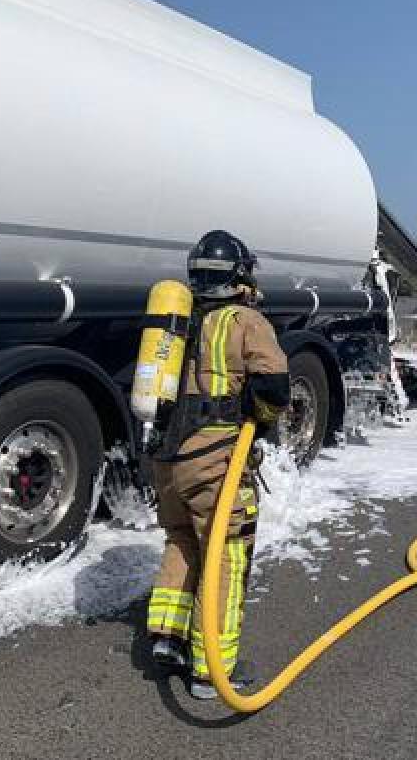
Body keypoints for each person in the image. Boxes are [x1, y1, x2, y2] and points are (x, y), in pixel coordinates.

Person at [146, 230, 290, 700]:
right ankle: (213, 669)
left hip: (167, 457)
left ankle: (168, 637)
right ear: (241, 274)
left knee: (181, 537)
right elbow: (273, 388)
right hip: (215, 459)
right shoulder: (245, 320)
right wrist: (262, 422)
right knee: (225, 555)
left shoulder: (174, 323)